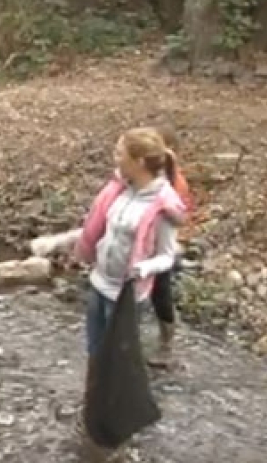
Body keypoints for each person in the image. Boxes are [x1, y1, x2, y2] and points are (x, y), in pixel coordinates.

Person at [74, 127, 186, 443]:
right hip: (99, 284)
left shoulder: (163, 206)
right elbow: (101, 230)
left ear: (138, 161)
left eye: (120, 153)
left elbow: (167, 256)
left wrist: (143, 268)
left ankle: (120, 424)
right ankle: (94, 410)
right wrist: (81, 250)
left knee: (120, 362)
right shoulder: (120, 189)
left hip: (127, 297)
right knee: (96, 352)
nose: (115, 158)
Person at [147, 127, 194, 368]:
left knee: (160, 294)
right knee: (155, 294)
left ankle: (166, 345)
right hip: (149, 247)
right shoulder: (151, 177)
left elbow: (179, 215)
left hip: (161, 248)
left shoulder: (173, 182)